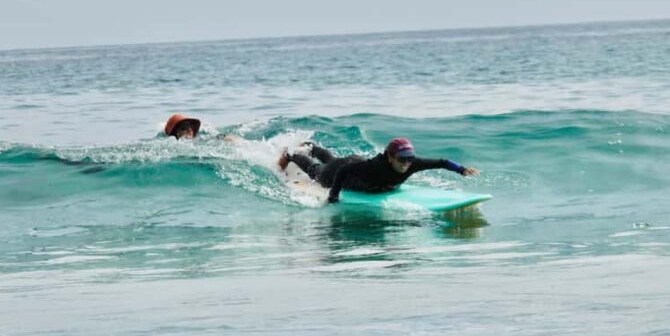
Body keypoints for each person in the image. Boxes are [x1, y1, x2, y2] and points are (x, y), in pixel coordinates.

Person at [278, 137, 479, 203]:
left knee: (331, 159)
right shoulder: (373, 167)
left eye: (409, 159)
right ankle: (292, 156)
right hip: (343, 172)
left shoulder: (413, 163)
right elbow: (342, 172)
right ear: (390, 157)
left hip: (350, 163)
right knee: (319, 170)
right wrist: (333, 195)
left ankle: (312, 146)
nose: (407, 163)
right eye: (402, 159)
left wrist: (461, 170)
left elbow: (442, 162)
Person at [163, 114, 238, 142]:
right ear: (176, 134)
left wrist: (226, 138)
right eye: (184, 127)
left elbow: (213, 137)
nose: (189, 129)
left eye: (190, 126)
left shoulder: (199, 139)